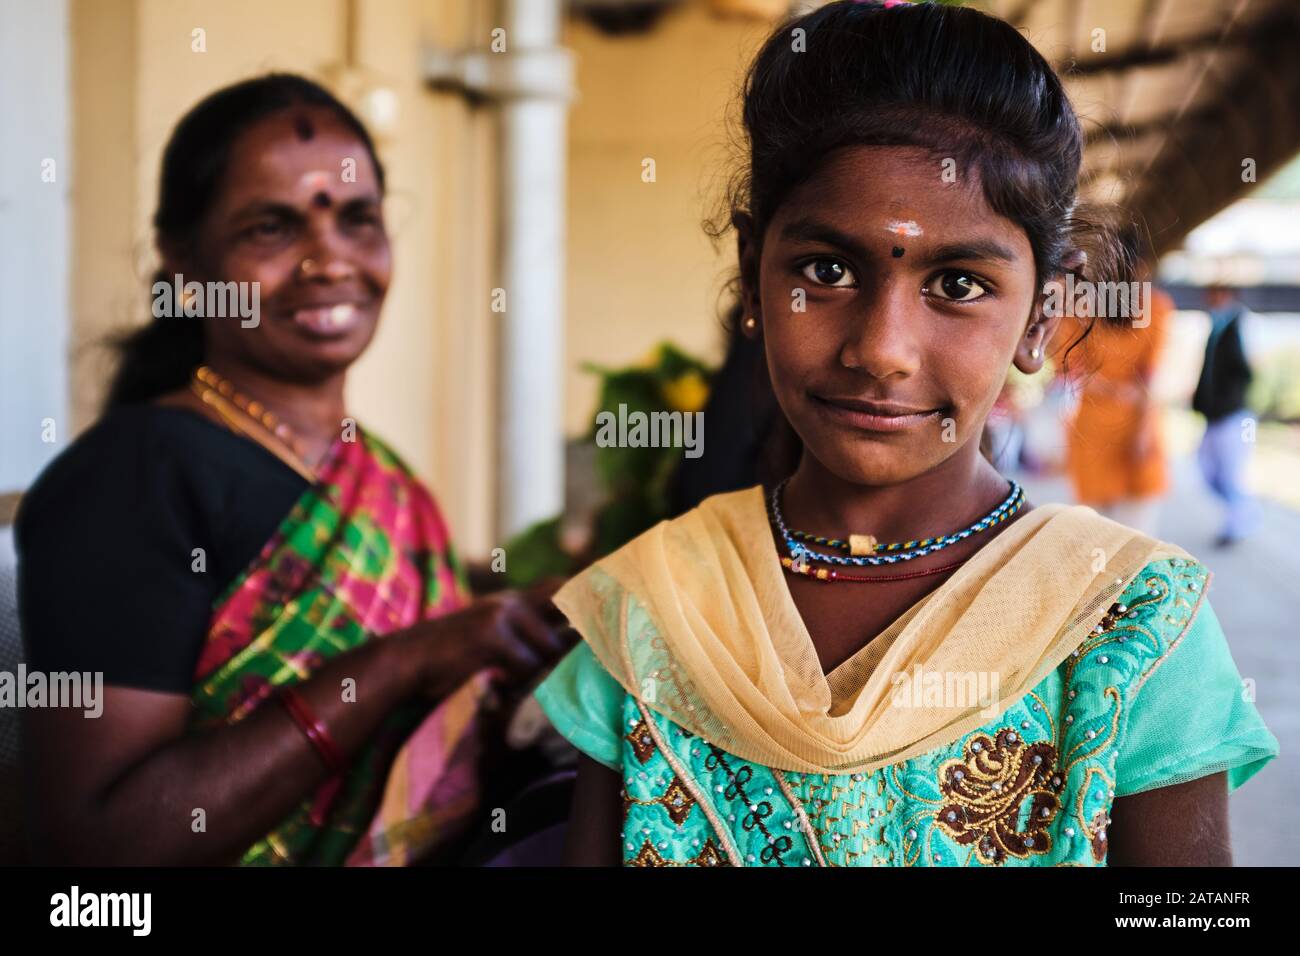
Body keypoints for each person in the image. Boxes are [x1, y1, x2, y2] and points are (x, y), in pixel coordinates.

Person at [534, 1, 1277, 867]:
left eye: (959, 284)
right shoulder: (649, 610)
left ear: (1042, 313)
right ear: (751, 274)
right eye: (828, 270)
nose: (881, 351)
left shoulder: (1134, 630)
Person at [16, 74, 573, 866]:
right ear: (182, 260)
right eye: (271, 229)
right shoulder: (134, 476)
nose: (329, 261)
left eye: (358, 220)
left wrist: (525, 634)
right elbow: (103, 849)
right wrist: (405, 662)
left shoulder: (387, 481)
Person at [1050, 226, 1172, 536]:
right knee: (1136, 540)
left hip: (1099, 427)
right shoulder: (1155, 306)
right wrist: (1139, 419)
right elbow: (1150, 379)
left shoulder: (1083, 307)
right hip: (1134, 425)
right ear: (1142, 266)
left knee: (1097, 540)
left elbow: (1065, 367)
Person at [1192, 285, 1258, 547]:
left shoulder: (1240, 327)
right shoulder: (1218, 330)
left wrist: (1225, 400)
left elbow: (1246, 370)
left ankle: (1238, 524)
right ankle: (1245, 511)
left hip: (1236, 417)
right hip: (1216, 417)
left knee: (1233, 473)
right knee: (1206, 469)